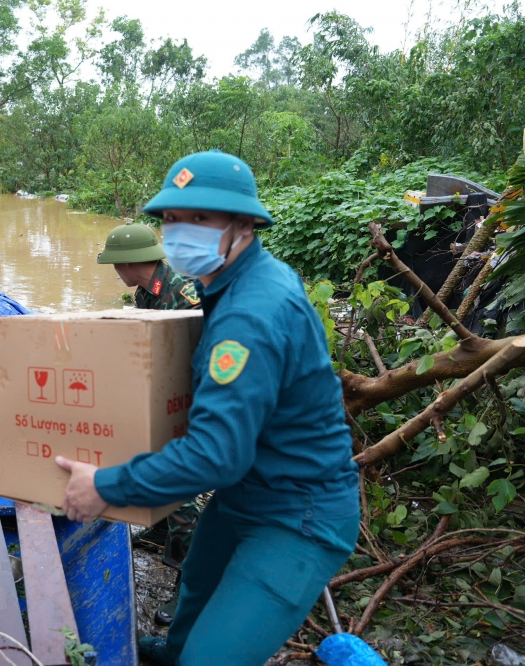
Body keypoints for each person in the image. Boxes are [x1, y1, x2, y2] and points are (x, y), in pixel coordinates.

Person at [57, 150, 359, 665]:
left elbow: (217, 456)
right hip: (246, 493)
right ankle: (175, 651)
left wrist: (104, 485)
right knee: (196, 587)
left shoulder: (251, 314)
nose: (179, 232)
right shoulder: (229, 284)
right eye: (172, 219)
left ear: (243, 225)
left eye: (199, 218)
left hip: (297, 514)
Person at [98, 223, 202, 626]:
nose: (114, 271)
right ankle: (161, 532)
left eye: (114, 264)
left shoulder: (184, 293)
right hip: (162, 395)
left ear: (128, 263)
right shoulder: (146, 292)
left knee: (181, 492)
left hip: (191, 401)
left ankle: (188, 586)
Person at [98, 223, 201, 311]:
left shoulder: (182, 294)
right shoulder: (143, 291)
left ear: (126, 263)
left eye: (115, 264)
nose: (116, 269)